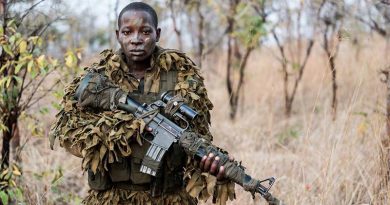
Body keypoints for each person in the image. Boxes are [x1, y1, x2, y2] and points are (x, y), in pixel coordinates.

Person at [50, 2, 236, 205]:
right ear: (117, 34)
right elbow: (70, 136)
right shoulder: (98, 78)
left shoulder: (182, 75)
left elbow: (196, 135)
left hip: (168, 198)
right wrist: (127, 130)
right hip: (109, 198)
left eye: (145, 32)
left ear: (157, 34)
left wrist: (208, 166)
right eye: (127, 32)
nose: (136, 40)